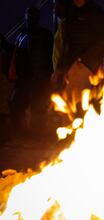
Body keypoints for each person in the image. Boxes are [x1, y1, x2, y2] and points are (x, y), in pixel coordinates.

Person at [51, 0, 104, 113]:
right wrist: (59, 69)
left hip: (86, 68)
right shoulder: (70, 11)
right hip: (70, 68)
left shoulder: (95, 11)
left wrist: (83, 62)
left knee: (81, 107)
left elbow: (102, 41)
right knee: (68, 108)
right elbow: (66, 44)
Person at [8, 6, 54, 140]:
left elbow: (50, 55)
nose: (29, 18)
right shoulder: (22, 34)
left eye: (32, 16)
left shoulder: (44, 35)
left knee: (37, 108)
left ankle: (36, 137)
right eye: (28, 15)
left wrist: (47, 76)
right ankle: (22, 135)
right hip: (23, 78)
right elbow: (16, 53)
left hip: (38, 78)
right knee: (16, 104)